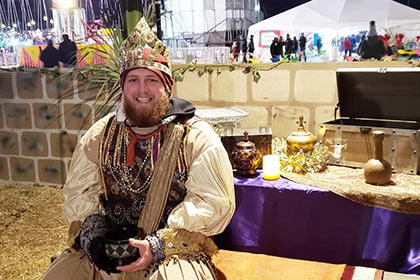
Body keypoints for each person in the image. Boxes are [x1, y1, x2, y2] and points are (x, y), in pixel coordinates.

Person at [43, 17, 235, 280]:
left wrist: (156, 247)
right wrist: (95, 236)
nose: (142, 90)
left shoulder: (195, 137)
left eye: (151, 80)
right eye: (133, 79)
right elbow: (79, 195)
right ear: (122, 86)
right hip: (113, 250)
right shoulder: (101, 135)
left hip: (172, 253)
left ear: (167, 85)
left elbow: (214, 205)